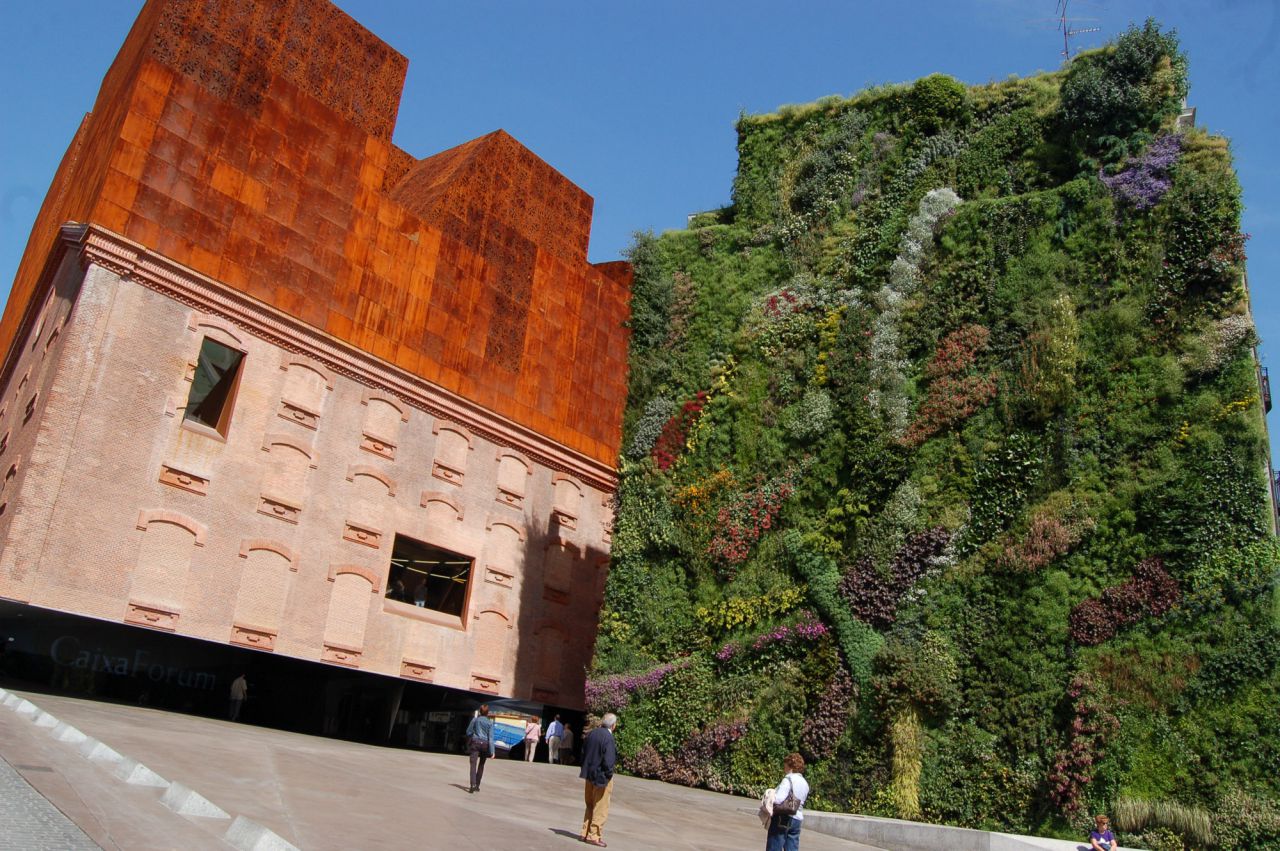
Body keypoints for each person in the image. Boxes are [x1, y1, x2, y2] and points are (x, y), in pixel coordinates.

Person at [579, 712, 618, 847]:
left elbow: (583, 753)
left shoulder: (592, 734)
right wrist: (609, 774)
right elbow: (609, 760)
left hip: (589, 775)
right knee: (601, 807)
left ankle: (584, 832)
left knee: (589, 804)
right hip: (601, 777)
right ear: (613, 725)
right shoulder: (608, 738)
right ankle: (594, 835)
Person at [765, 753, 809, 851]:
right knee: (792, 848)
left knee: (774, 845)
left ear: (790, 765)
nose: (784, 768)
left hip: (783, 817)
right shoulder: (805, 783)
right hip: (797, 819)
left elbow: (779, 799)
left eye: (785, 765)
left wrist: (770, 794)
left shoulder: (788, 779)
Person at [465, 704, 496, 793]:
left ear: (480, 711)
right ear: (488, 713)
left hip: (475, 743)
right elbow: (491, 738)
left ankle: (472, 784)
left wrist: (473, 736)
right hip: (485, 745)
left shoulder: (475, 720)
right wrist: (492, 751)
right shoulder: (490, 723)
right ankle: (477, 785)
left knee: (473, 764)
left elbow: (468, 732)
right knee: (481, 765)